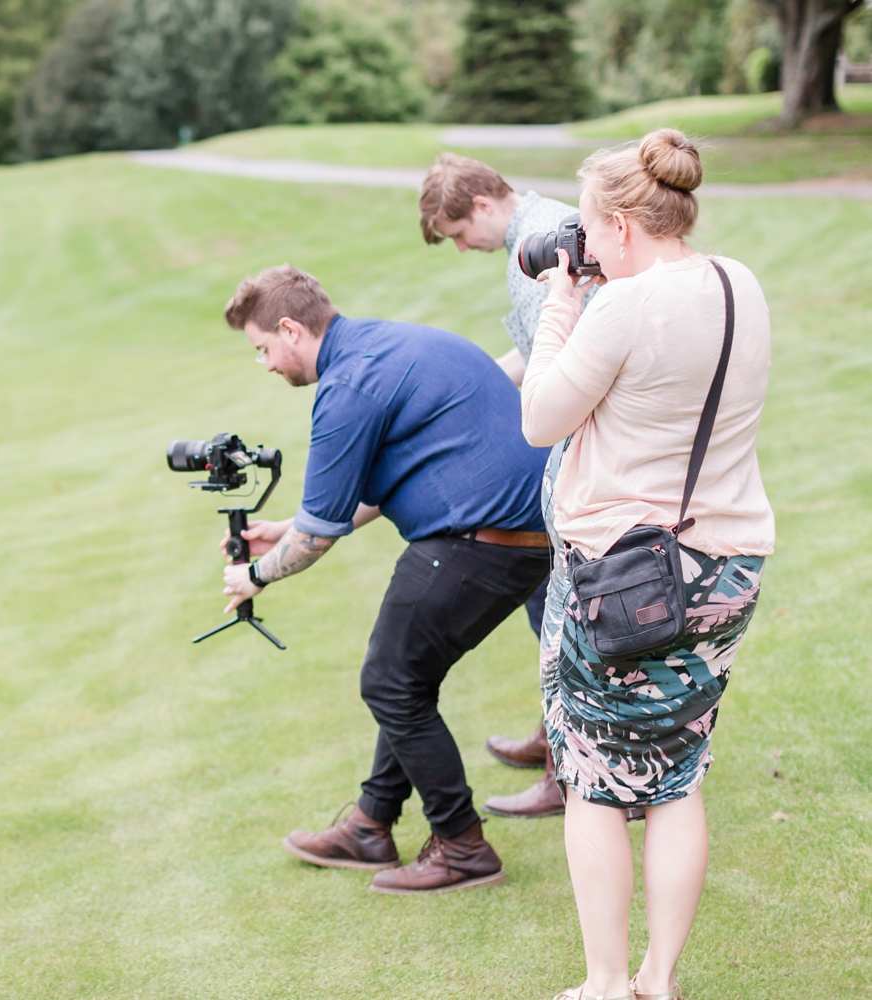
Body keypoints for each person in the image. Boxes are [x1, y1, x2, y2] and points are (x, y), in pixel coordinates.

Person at [523, 130, 773, 1000]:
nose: (584, 250)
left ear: (624, 226)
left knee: (594, 782)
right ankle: (658, 979)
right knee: (678, 775)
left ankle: (602, 983)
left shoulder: (622, 308)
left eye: (590, 233)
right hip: (728, 565)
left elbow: (541, 418)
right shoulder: (739, 282)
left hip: (626, 581)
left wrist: (563, 301)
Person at [219, 264, 551, 894]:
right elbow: (338, 509)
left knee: (391, 681)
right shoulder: (389, 345)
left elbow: (317, 540)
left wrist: (255, 574)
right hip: (522, 537)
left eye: (263, 348)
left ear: (290, 329)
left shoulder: (347, 388)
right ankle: (371, 825)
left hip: (483, 543)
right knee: (408, 677)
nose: (264, 364)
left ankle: (460, 846)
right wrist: (286, 525)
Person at [419, 153, 599, 820]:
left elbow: (568, 356)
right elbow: (535, 348)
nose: (463, 247)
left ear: (483, 206)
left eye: (459, 232)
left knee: (564, 613)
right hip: (582, 452)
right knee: (543, 600)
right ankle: (555, 736)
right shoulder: (550, 226)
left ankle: (570, 767)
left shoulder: (535, 250)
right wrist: (472, 391)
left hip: (586, 459)